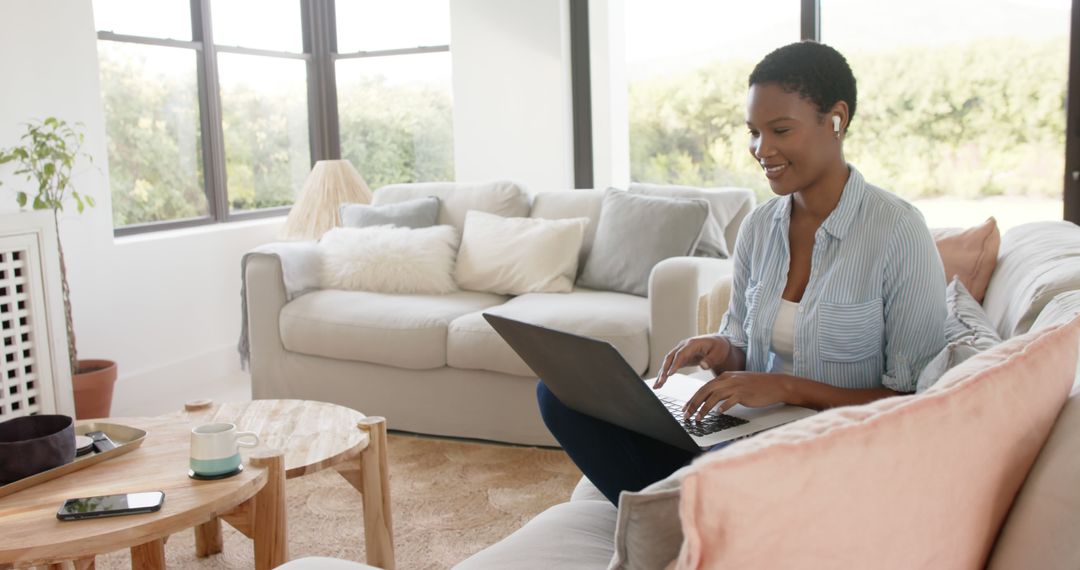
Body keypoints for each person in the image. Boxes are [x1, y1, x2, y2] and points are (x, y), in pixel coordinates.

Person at [537, 40, 947, 506]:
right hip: (748, 436)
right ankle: (693, 513)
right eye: (753, 131)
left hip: (829, 451)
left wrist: (787, 388)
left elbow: (915, 401)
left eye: (780, 130)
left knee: (709, 474)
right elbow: (744, 351)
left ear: (836, 119)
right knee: (561, 394)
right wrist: (720, 351)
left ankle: (694, 511)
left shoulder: (898, 231)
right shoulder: (759, 227)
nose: (761, 149)